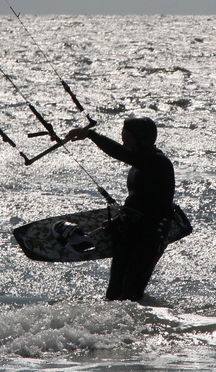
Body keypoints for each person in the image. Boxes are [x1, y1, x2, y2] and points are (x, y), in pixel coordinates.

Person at [68, 116, 175, 301]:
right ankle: (116, 329)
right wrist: (118, 221)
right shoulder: (138, 165)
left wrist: (91, 135)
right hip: (130, 230)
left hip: (151, 235)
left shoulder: (159, 163)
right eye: (123, 139)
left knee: (131, 291)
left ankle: (142, 326)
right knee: (114, 292)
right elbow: (140, 199)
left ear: (142, 140)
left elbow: (120, 153)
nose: (124, 143)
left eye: (127, 140)